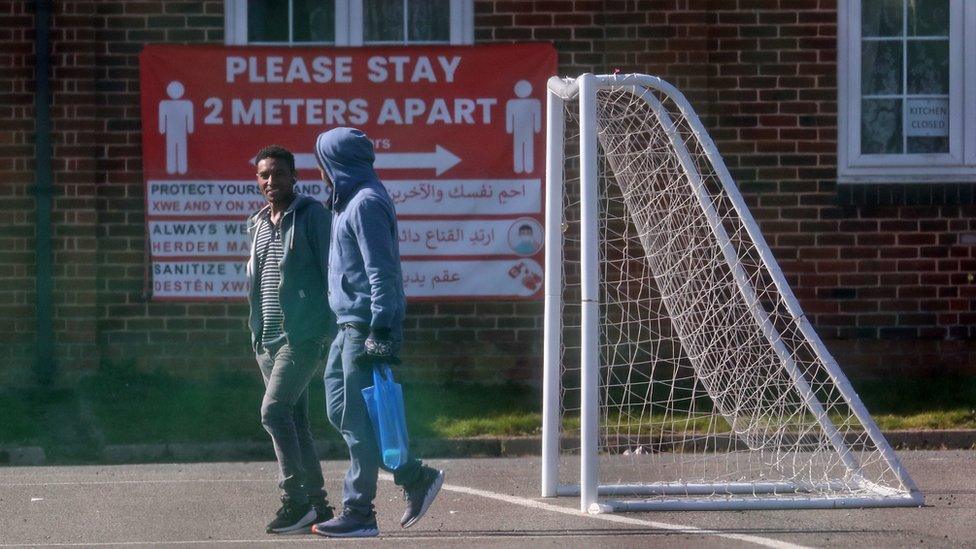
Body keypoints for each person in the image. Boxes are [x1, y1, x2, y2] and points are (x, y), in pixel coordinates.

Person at [310, 128, 444, 538]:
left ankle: (359, 511)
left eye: (322, 161)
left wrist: (381, 329)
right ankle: (412, 475)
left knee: (355, 416)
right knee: (341, 410)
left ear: (336, 162)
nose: (319, 170)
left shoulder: (366, 202)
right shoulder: (345, 202)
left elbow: (382, 272)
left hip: (366, 325)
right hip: (345, 324)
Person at [246, 145, 335, 534]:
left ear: (293, 177)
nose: (271, 182)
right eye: (264, 175)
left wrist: (328, 327)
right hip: (266, 340)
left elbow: (332, 270)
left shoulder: (312, 216)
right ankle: (318, 505)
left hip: (301, 336)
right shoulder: (259, 222)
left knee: (274, 412)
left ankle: (295, 499)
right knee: (295, 420)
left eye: (278, 174)